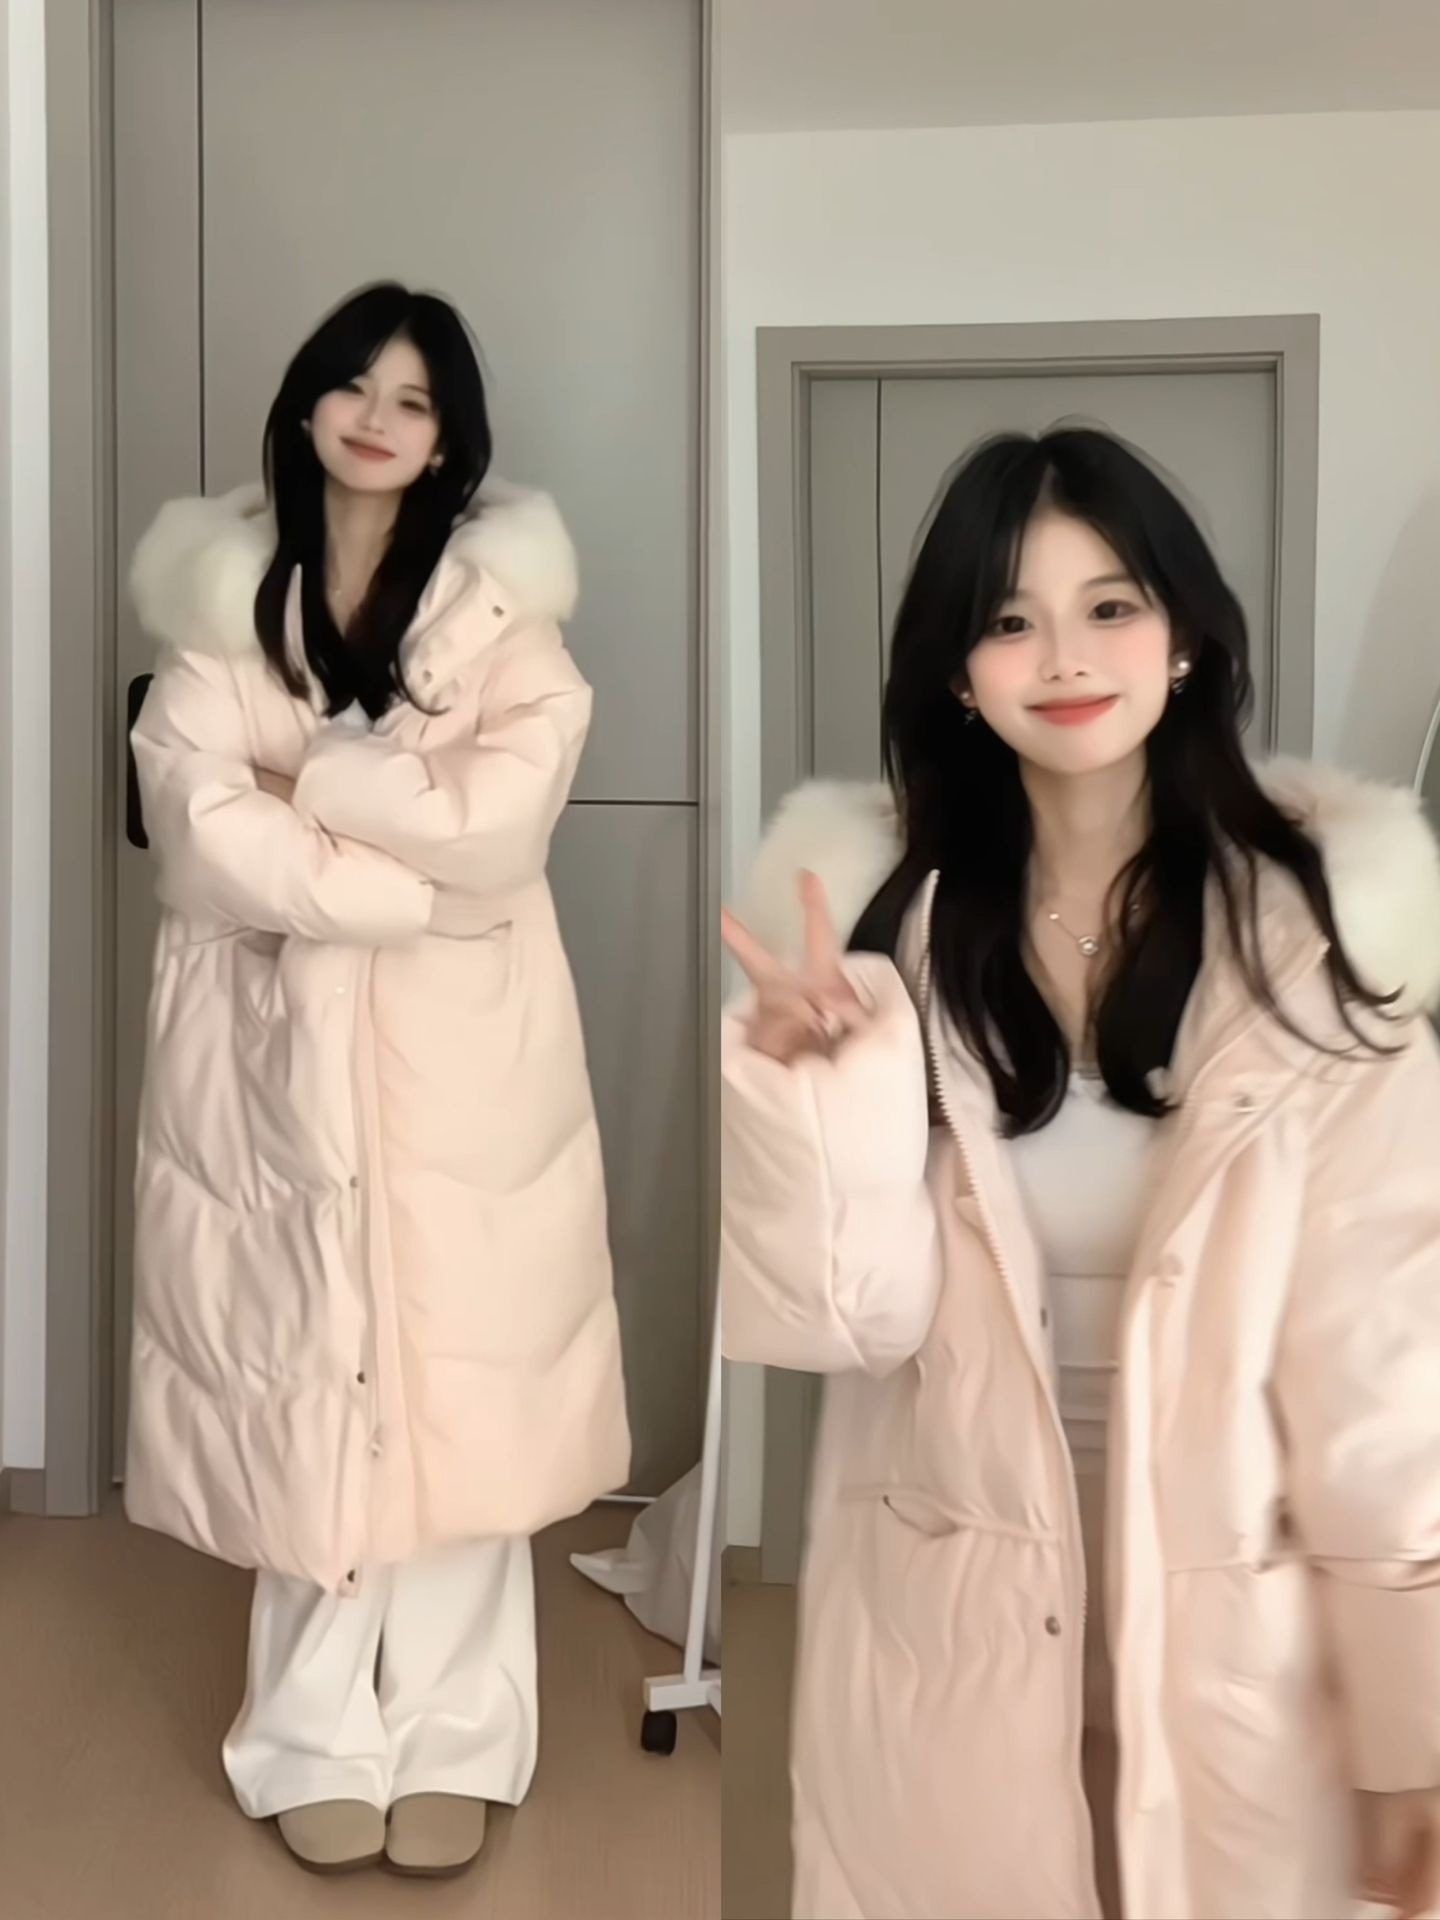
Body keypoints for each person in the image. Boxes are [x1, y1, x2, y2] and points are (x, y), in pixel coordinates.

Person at [720, 428, 1440, 1920]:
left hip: (1246, 1611)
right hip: (953, 1607)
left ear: (1184, 641)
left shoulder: (1322, 948)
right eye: (1010, 618)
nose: (1062, 656)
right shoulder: (881, 938)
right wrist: (814, 1097)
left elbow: (1386, 1367)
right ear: (959, 675)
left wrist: (1415, 1722)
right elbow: (841, 1326)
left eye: (1109, 605)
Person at [126, 282, 630, 1878]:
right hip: (269, 1055)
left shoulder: (505, 616)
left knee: (456, 1377)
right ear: (307, 402)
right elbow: (196, 823)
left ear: (448, 438)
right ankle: (311, 1732)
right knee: (307, 1372)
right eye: (354, 384)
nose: (376, 417)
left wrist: (320, 780)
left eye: (413, 399)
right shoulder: (219, 600)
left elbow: (503, 826)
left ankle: (460, 1732)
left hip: (461, 1056)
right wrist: (400, 870)